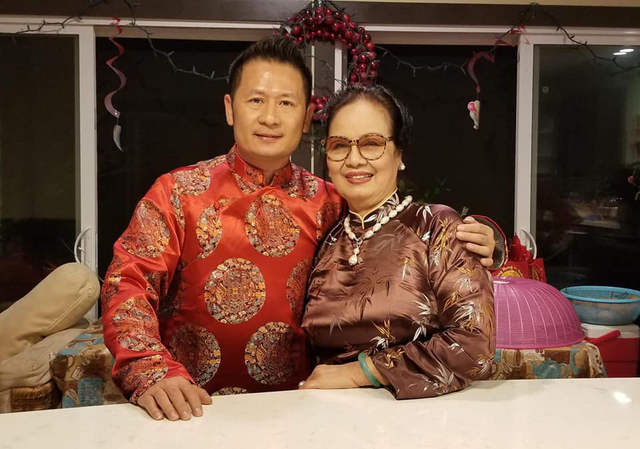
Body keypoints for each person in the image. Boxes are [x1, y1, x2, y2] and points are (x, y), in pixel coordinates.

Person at [101, 36, 499, 421]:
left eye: (286, 103)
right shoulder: (178, 192)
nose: (270, 117)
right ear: (230, 108)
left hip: (305, 413)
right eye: (256, 100)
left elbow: (393, 226)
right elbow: (127, 282)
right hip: (193, 411)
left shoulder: (328, 202)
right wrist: (150, 369)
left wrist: (488, 241)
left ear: (307, 116)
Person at [300, 84, 495, 399]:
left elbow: (474, 346)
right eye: (339, 145)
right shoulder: (325, 240)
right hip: (325, 412)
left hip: (415, 416)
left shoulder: (436, 227)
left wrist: (360, 373)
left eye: (372, 143)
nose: (353, 159)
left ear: (399, 153)